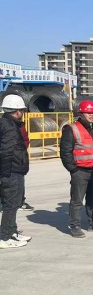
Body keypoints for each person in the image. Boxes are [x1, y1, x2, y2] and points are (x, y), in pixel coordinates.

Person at [60, 100, 93, 237]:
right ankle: (75, 226)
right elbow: (65, 152)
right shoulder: (71, 129)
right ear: (81, 114)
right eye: (88, 113)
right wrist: (73, 170)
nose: (92, 115)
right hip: (80, 171)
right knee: (77, 201)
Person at [0, 94, 32, 248]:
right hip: (12, 171)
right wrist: (5, 174)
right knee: (11, 205)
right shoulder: (10, 127)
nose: (23, 113)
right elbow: (7, 151)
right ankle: (5, 237)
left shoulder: (7, 123)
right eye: (22, 110)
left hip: (13, 170)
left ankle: (11, 231)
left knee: (13, 203)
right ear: (18, 111)